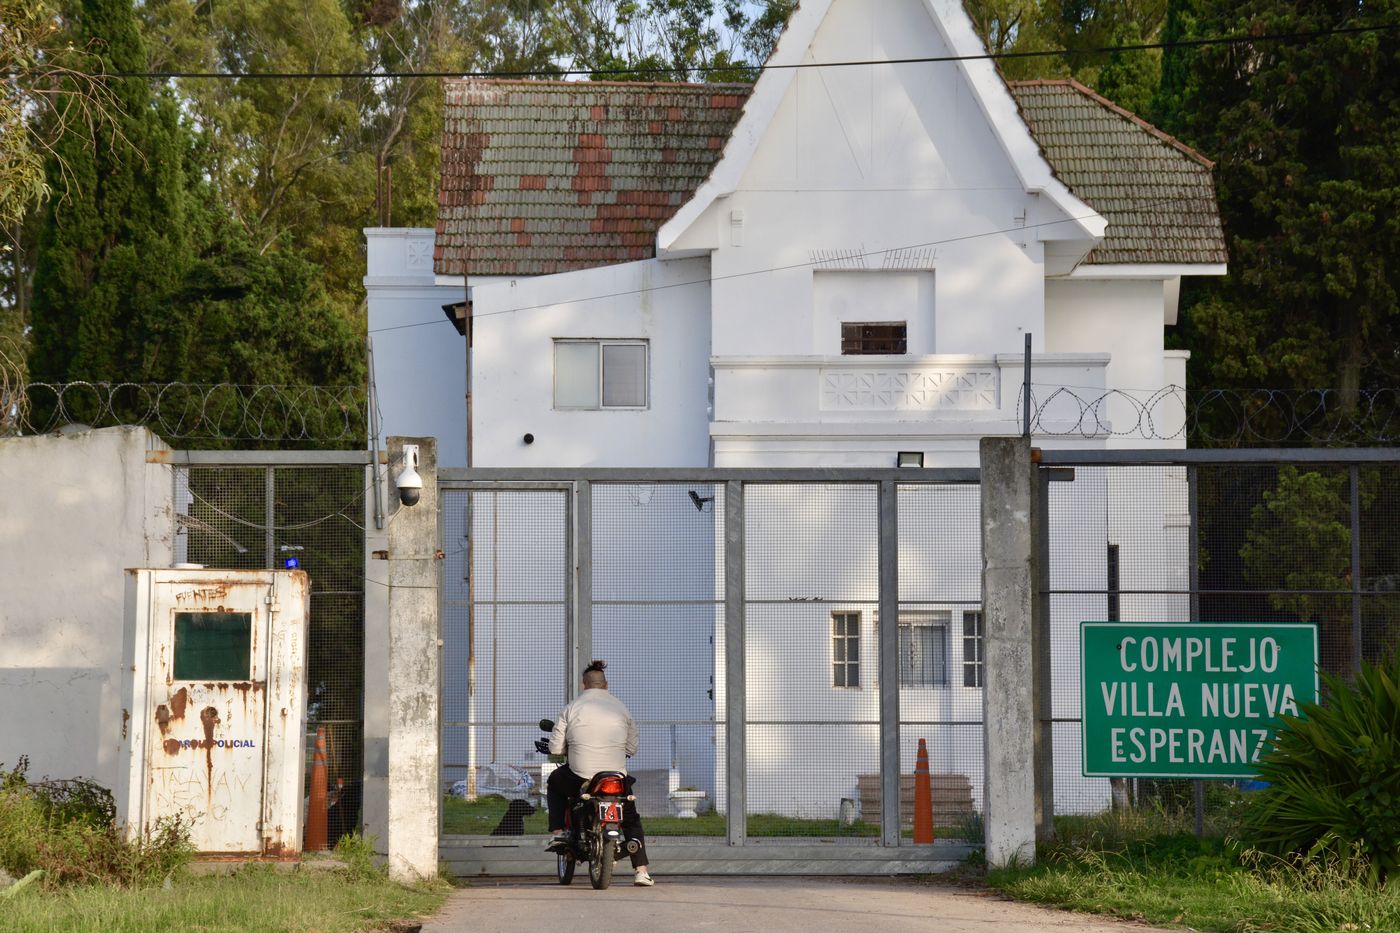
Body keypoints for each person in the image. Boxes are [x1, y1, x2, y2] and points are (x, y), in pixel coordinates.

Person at [545, 659, 653, 887]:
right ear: (606, 685)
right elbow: (632, 749)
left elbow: (555, 748)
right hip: (615, 777)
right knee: (631, 818)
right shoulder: (622, 708)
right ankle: (641, 871)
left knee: (555, 781)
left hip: (580, 776)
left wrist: (570, 748)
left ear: (584, 685)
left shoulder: (571, 708)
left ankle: (558, 832)